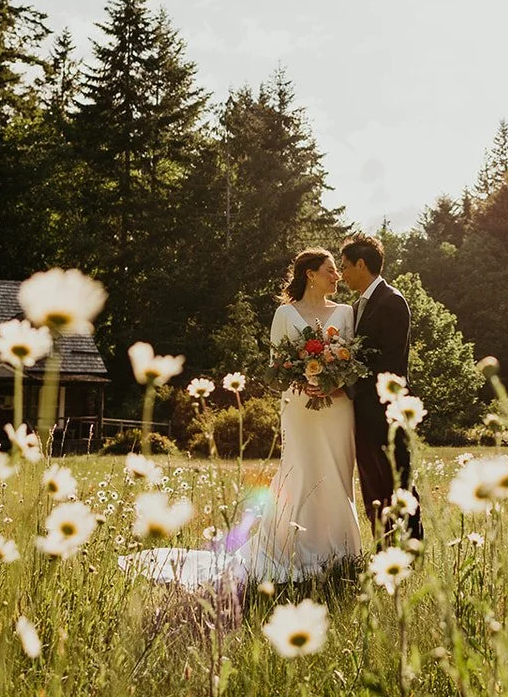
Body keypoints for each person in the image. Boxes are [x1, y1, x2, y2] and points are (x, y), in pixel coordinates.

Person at [119, 248, 361, 587]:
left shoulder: (347, 312)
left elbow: (352, 361)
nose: (337, 276)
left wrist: (331, 382)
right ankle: (294, 548)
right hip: (299, 407)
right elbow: (276, 366)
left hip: (336, 409)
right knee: (301, 473)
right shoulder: (285, 313)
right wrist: (303, 381)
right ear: (310, 273)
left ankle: (343, 555)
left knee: (336, 474)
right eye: (330, 270)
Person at [339, 233, 423, 542]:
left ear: (362, 264)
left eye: (345, 266)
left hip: (387, 411)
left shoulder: (391, 301)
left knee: (398, 481)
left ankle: (412, 548)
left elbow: (391, 364)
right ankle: (383, 547)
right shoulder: (357, 306)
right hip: (362, 409)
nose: (342, 273)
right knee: (372, 485)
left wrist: (348, 378)